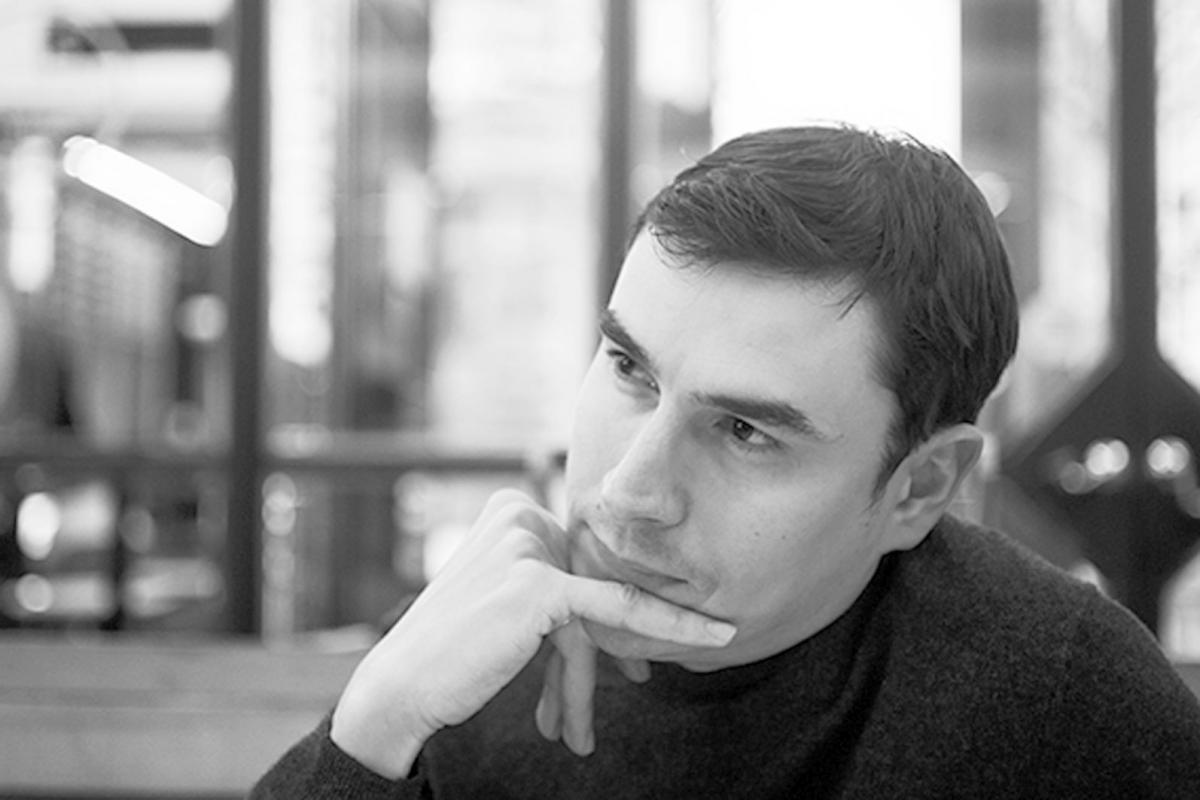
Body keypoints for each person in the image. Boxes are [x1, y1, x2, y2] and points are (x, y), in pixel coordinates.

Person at [252, 124, 1200, 798]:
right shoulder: (472, 661)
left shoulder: (1066, 708)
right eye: (630, 370)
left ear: (920, 489)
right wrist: (371, 730)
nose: (628, 493)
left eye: (746, 432)